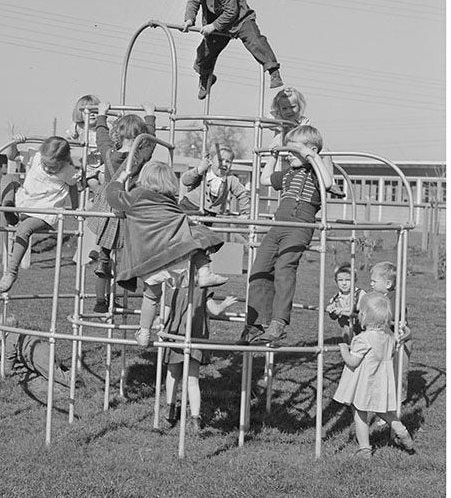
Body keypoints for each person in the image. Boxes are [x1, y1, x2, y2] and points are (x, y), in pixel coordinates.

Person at [105, 159, 228, 348]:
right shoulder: (170, 202)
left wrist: (119, 181)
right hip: (174, 259)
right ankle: (204, 272)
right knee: (196, 235)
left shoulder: (137, 195)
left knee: (151, 297)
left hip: (149, 260)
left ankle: (144, 332)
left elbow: (114, 198)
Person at [239, 124, 336, 346]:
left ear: (309, 150)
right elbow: (265, 179)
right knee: (259, 268)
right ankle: (255, 323)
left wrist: (312, 156)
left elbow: (328, 182)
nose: (288, 155)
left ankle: (278, 322)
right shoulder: (288, 174)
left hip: (300, 225)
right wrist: (273, 157)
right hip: (278, 225)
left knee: (284, 269)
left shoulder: (316, 173)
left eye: (293, 152)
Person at [87, 102, 156, 313]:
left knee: (106, 247)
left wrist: (101, 115)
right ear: (140, 139)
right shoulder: (139, 157)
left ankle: (102, 266)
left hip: (107, 204)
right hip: (127, 203)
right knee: (129, 242)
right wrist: (150, 116)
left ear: (119, 135)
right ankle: (128, 273)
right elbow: (151, 143)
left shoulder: (109, 153)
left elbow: (102, 138)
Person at [182, 0, 284, 99]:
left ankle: (272, 69)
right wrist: (189, 19)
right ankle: (205, 77)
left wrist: (213, 26)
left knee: (254, 40)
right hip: (218, 24)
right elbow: (193, 2)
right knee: (204, 52)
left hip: (240, 20)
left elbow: (231, 12)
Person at [332, 291, 415, 458]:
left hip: (365, 382)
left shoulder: (362, 339)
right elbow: (402, 339)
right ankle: (401, 430)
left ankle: (365, 448)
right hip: (382, 380)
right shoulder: (389, 336)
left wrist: (343, 349)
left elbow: (353, 362)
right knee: (382, 410)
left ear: (363, 316)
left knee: (359, 410)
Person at [0, 136, 80, 294]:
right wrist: (14, 142)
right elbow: (11, 156)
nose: (47, 169)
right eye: (45, 165)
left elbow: (74, 188)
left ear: (63, 162)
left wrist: (75, 208)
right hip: (24, 203)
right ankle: (10, 211)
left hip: (44, 213)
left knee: (24, 229)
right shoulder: (36, 157)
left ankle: (11, 272)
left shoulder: (69, 171)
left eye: (52, 167)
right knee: (7, 179)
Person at [162, 290, 239, 433]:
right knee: (190, 379)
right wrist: (225, 304)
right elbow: (215, 311)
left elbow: (164, 316)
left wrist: (159, 328)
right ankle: (194, 418)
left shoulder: (175, 289)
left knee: (173, 374)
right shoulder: (201, 290)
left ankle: (172, 411)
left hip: (177, 335)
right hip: (192, 336)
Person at [180, 145, 251, 218]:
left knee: (204, 229)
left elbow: (242, 194)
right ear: (210, 160)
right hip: (189, 206)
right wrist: (199, 170)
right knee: (184, 226)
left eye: (228, 161)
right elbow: (185, 181)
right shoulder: (204, 172)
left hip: (209, 213)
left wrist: (245, 213)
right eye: (220, 160)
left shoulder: (230, 179)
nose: (224, 164)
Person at [325, 262, 362, 343]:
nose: (344, 283)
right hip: (347, 327)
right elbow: (333, 317)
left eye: (348, 280)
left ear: (355, 280)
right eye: (340, 280)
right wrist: (332, 309)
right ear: (336, 281)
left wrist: (342, 309)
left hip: (362, 326)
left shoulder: (360, 293)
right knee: (347, 338)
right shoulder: (336, 298)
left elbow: (360, 306)